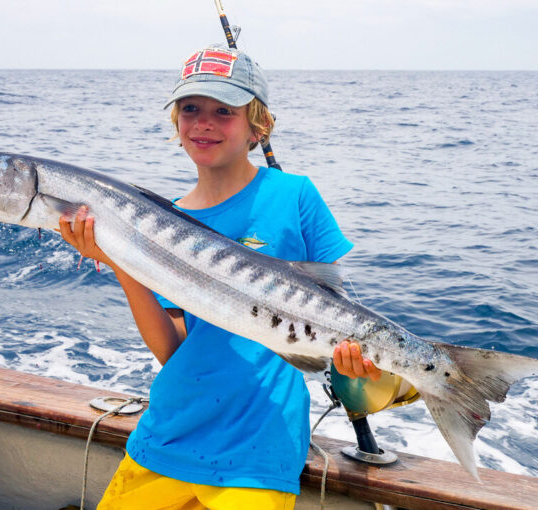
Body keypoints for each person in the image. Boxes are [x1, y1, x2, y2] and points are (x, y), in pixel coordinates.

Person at [59, 45, 381, 510]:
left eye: (224, 111)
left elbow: (340, 306)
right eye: (190, 108)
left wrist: (357, 363)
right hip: (166, 434)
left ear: (259, 126)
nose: (203, 122)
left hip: (259, 446)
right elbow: (172, 348)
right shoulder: (162, 222)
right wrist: (119, 263)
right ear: (176, 121)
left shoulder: (295, 195)